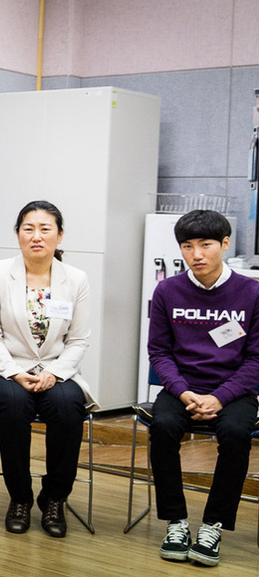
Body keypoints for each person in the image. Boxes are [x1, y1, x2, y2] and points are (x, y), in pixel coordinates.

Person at [0, 200, 95, 537]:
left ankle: (55, 498)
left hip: (58, 369)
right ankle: (20, 498)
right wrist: (13, 371)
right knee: (13, 404)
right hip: (5, 369)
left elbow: (79, 340)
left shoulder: (76, 279)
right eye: (28, 228)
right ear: (17, 235)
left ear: (59, 236)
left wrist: (54, 374)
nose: (37, 236)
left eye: (46, 229)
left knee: (67, 405)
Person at [147, 209, 259, 567]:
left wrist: (219, 397)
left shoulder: (252, 292)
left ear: (225, 245)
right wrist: (182, 392)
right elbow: (159, 351)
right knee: (162, 427)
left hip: (234, 391)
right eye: (188, 246)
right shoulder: (167, 290)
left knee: (237, 432)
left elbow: (256, 359)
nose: (197, 254)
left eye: (206, 245)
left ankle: (213, 525)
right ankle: (176, 522)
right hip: (182, 388)